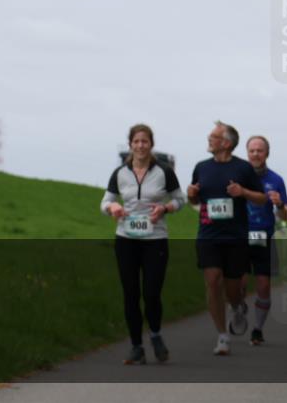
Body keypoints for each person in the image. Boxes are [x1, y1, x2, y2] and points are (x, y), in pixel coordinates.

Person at [101, 124, 186, 365]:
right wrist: (113, 207)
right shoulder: (120, 173)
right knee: (130, 294)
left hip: (155, 240)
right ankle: (136, 346)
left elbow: (180, 199)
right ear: (130, 144)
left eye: (145, 141)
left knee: (151, 293)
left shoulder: (164, 171)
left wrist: (165, 208)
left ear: (151, 144)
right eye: (136, 141)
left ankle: (156, 335)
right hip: (126, 240)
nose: (140, 145)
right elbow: (105, 201)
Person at [187, 121, 266, 356]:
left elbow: (261, 198)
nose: (209, 139)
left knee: (232, 287)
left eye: (213, 136)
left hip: (235, 237)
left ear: (226, 143)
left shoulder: (243, 169)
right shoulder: (201, 167)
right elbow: (195, 201)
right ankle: (222, 336)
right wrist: (191, 195)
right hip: (208, 235)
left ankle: (237, 306)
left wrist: (243, 192)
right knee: (212, 280)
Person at [241, 135, 287, 346]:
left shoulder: (276, 180)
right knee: (237, 284)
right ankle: (237, 310)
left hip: (264, 237)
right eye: (252, 150)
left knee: (263, 286)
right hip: (240, 237)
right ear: (246, 153)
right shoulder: (238, 176)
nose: (255, 154)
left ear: (266, 154)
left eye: (259, 150)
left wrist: (279, 205)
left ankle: (257, 329)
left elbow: (286, 215)